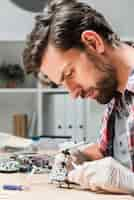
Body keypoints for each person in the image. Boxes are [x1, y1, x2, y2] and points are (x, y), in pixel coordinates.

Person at [23, 0, 134, 172]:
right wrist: (81, 155)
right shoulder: (116, 93)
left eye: (69, 74)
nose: (73, 93)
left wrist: (129, 183)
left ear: (93, 42)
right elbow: (115, 154)